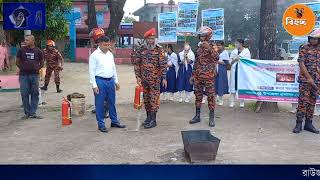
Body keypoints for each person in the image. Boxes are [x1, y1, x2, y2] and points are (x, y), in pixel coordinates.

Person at [132, 27, 167, 129]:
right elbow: (137, 64)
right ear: (146, 39)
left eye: (153, 38)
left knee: (154, 99)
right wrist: (137, 76)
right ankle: (148, 118)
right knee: (146, 99)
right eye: (149, 39)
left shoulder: (159, 50)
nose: (151, 41)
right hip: (144, 80)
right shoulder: (141, 50)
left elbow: (163, 65)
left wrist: (164, 77)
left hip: (155, 81)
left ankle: (153, 120)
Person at [89, 36, 125, 133]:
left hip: (110, 81)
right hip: (100, 81)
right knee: (100, 104)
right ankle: (101, 124)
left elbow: (113, 68)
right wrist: (94, 85)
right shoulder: (94, 55)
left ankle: (114, 121)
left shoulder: (110, 54)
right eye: (105, 45)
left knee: (112, 102)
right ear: (99, 44)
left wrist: (116, 81)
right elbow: (91, 71)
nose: (107, 46)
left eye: (108, 44)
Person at [190, 26, 219, 127]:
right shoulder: (199, 47)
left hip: (208, 76)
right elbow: (196, 62)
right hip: (198, 76)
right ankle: (197, 116)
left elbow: (216, 57)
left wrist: (209, 48)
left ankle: (211, 117)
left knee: (211, 96)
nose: (200, 38)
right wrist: (193, 75)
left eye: (202, 36)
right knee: (198, 96)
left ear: (207, 36)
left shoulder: (213, 46)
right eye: (200, 36)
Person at [293, 29, 320, 134]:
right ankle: (298, 124)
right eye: (312, 38)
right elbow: (301, 63)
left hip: (317, 81)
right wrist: (308, 78)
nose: (313, 40)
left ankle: (308, 123)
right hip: (305, 80)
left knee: (312, 102)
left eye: (316, 39)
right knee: (303, 101)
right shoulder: (304, 48)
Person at [16, 35, 44, 119]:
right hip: (23, 76)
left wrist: (36, 69)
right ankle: (27, 113)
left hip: (34, 76)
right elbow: (17, 62)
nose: (25, 41)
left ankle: (33, 113)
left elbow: (42, 63)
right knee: (24, 93)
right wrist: (23, 68)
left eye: (27, 40)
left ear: (33, 41)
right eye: (25, 40)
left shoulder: (38, 51)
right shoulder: (21, 50)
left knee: (35, 93)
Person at [89, 27, 109, 119]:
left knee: (104, 95)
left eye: (93, 37)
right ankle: (99, 108)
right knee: (97, 93)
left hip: (102, 75)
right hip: (96, 74)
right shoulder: (96, 46)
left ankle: (105, 112)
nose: (91, 39)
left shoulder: (104, 47)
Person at [229, 39, 251, 108]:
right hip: (234, 71)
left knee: (241, 85)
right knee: (233, 86)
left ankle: (242, 102)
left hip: (242, 71)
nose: (235, 45)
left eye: (237, 43)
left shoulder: (246, 52)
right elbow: (230, 62)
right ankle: (232, 102)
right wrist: (235, 59)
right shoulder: (234, 51)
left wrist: (241, 59)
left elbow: (248, 62)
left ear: (241, 44)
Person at [215, 41, 230, 106]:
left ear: (223, 46)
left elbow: (226, 63)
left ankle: (221, 100)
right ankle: (214, 100)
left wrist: (218, 62)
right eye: (217, 45)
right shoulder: (215, 52)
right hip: (215, 69)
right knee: (214, 85)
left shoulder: (225, 53)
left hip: (221, 70)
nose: (218, 46)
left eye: (219, 45)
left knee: (220, 84)